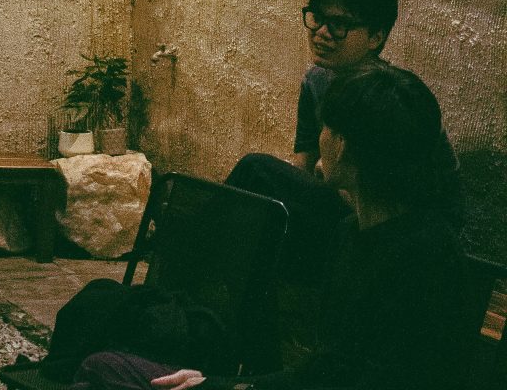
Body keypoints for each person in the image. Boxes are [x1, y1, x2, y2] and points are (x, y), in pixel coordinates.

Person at [71, 65, 471, 390]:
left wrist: (224, 387)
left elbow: (350, 375)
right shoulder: (358, 234)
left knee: (104, 369)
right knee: (106, 367)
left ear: (343, 145)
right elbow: (327, 368)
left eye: (326, 129)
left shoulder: (418, 257)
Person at [226, 0, 462, 274]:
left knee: (256, 168)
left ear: (375, 36)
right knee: (262, 192)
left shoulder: (389, 97)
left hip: (399, 231)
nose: (322, 33)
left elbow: (403, 202)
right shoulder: (317, 80)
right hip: (348, 209)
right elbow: (304, 164)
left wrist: (334, 182)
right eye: (317, 18)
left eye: (339, 24)